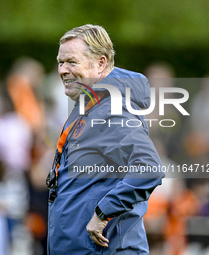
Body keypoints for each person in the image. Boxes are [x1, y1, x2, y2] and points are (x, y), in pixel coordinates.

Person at [47, 24, 164, 254]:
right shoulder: (92, 102)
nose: (63, 70)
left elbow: (149, 168)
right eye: (61, 62)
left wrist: (103, 213)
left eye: (72, 62)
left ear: (101, 63)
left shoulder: (112, 108)